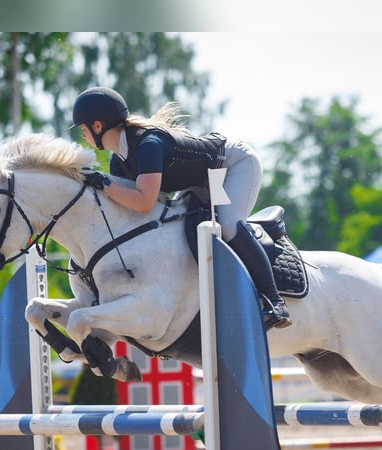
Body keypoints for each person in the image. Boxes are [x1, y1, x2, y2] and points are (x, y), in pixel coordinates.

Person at [71, 86, 291, 329]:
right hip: (199, 181)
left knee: (227, 225)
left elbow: (144, 202)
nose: (83, 136)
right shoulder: (119, 162)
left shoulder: (148, 144)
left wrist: (103, 183)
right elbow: (136, 210)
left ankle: (275, 301)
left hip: (233, 165)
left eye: (83, 129)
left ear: (98, 126)